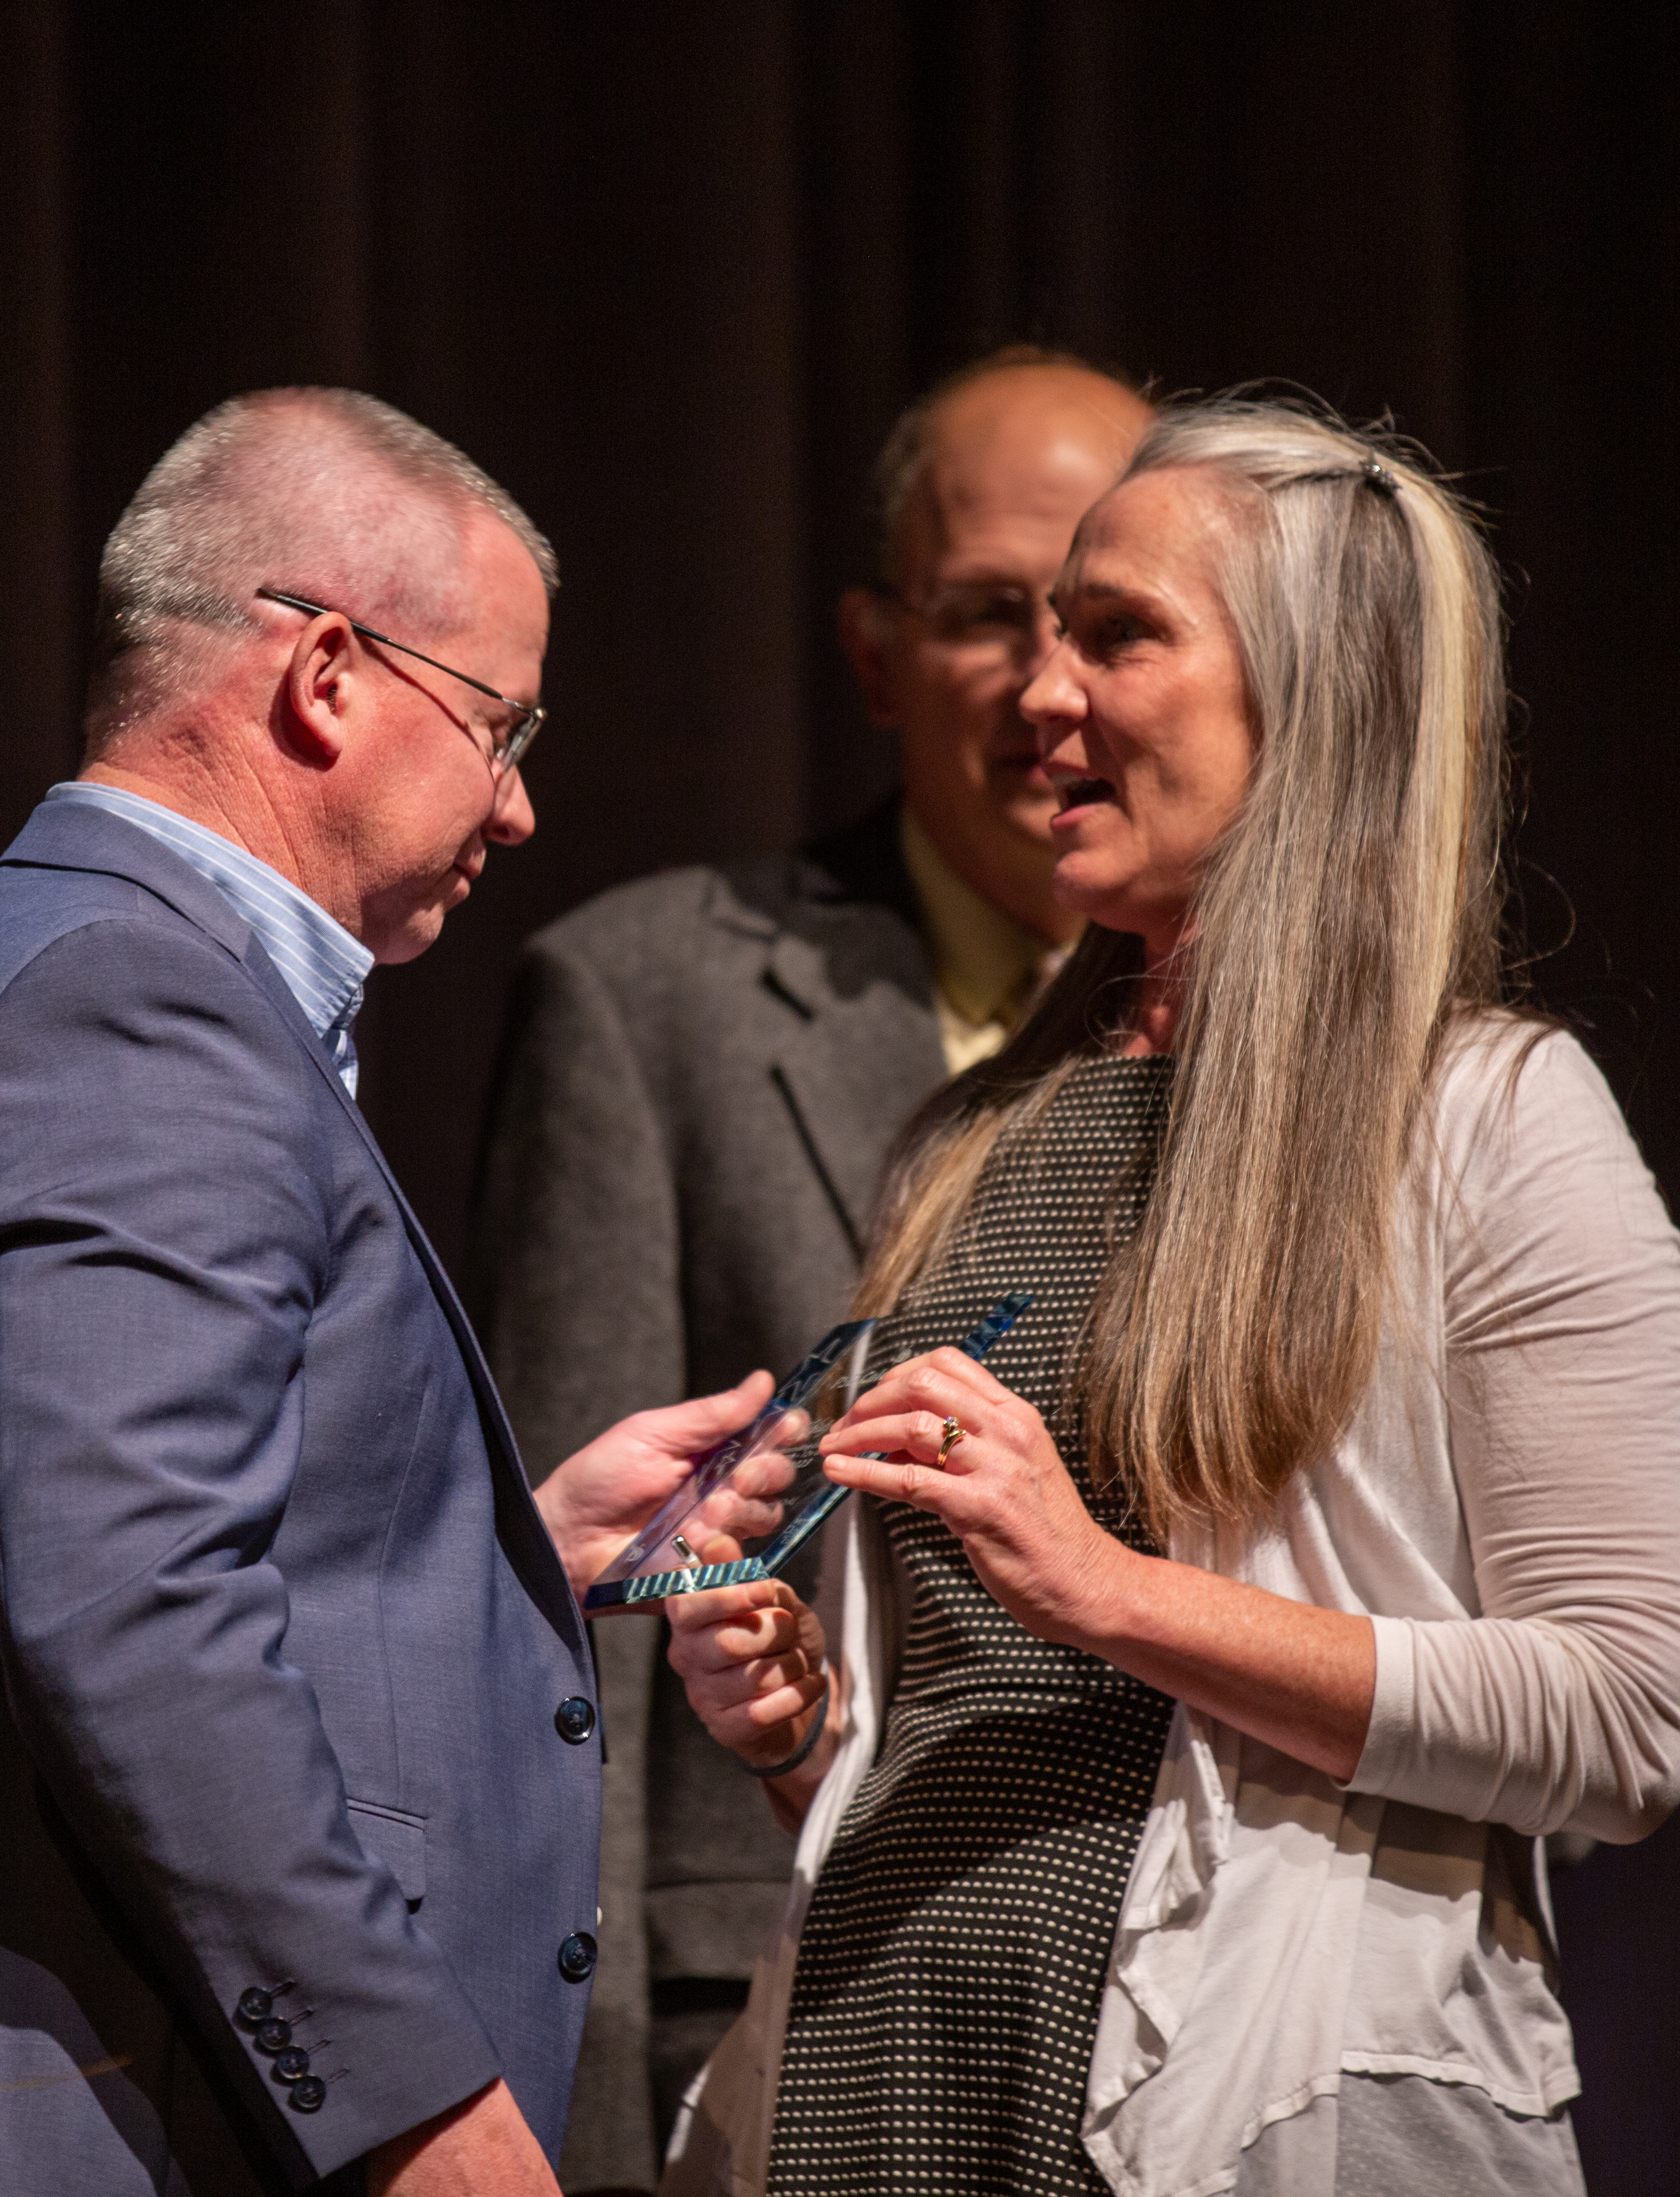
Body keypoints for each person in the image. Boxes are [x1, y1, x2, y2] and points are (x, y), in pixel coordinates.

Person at [659, 399, 1680, 2195]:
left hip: (1253, 2098)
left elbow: (1624, 1717)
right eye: (1043, 631)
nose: (1042, 695)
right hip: (887, 2071)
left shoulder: (1485, 1119)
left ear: (1315, 700)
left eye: (1121, 634)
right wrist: (797, 1728)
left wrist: (1104, 1587)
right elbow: (971, 1715)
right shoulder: (977, 1137)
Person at [0, 387, 781, 2197]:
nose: (522, 806)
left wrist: (504, 1551)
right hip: (84, 2117)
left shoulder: (90, 969)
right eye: (500, 723)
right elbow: (131, 1620)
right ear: (326, 677)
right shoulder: (127, 1004)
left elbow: (92, 1548)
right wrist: (418, 2110)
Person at [465, 349, 1154, 2189]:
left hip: (1176, 2011)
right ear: (872, 655)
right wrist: (575, 2117)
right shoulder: (649, 1004)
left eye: (1103, 620)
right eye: (989, 615)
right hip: (770, 2029)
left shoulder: (1279, 1063)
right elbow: (576, 1634)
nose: (1048, 685)